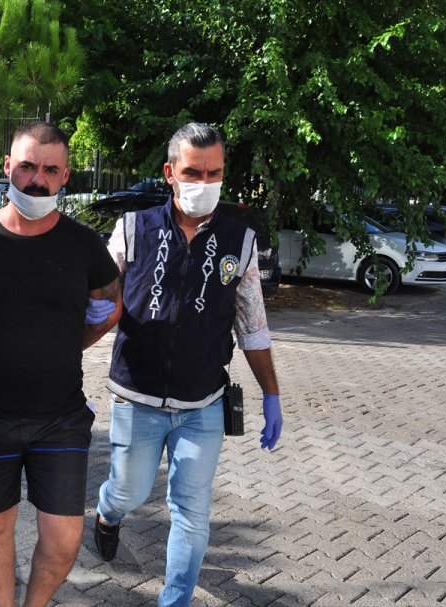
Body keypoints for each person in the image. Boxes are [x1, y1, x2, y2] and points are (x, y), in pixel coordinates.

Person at [92, 123, 283, 607]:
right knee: (129, 492)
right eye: (193, 172)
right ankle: (108, 514)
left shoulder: (240, 241)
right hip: (136, 396)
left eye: (214, 173)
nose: (204, 182)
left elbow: (253, 326)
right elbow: (97, 302)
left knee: (192, 511)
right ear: (170, 172)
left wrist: (272, 394)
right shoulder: (133, 229)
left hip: (203, 403)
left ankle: (174, 600)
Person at [0, 121, 122, 607]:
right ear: (7, 167)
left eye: (50, 170)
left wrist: (70, 344)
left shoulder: (84, 244)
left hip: (60, 418)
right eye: (27, 166)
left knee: (63, 540)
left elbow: (110, 308)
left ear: (65, 177)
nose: (37, 180)